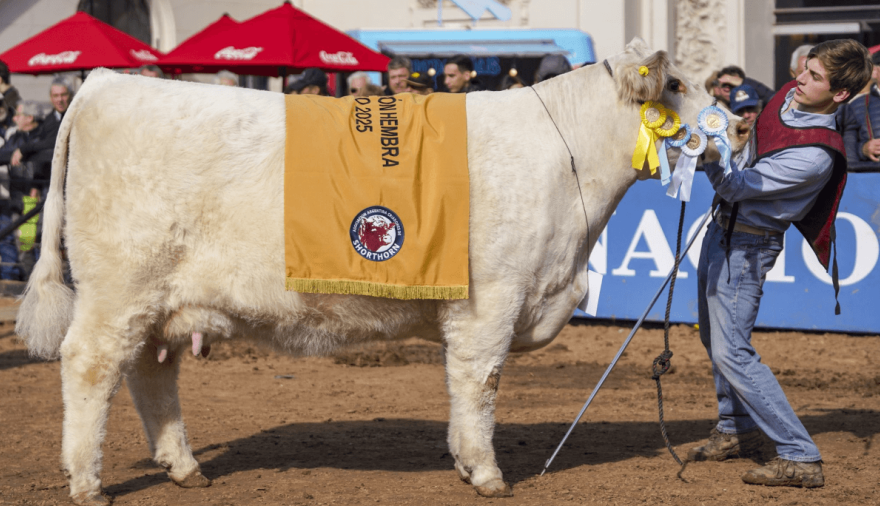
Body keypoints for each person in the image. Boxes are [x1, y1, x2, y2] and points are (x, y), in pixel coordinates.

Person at [691, 39, 871, 488]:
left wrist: (705, 149)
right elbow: (745, 149)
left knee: (733, 351)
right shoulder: (787, 97)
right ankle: (736, 430)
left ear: (841, 95)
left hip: (749, 246)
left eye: (813, 77)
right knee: (716, 341)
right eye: (804, 69)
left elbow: (735, 186)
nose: (799, 80)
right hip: (723, 232)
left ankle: (800, 455)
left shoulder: (815, 155)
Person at [841, 51, 880, 164]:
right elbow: (847, 147)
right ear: (875, 72)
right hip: (873, 175)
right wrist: (864, 149)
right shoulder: (855, 106)